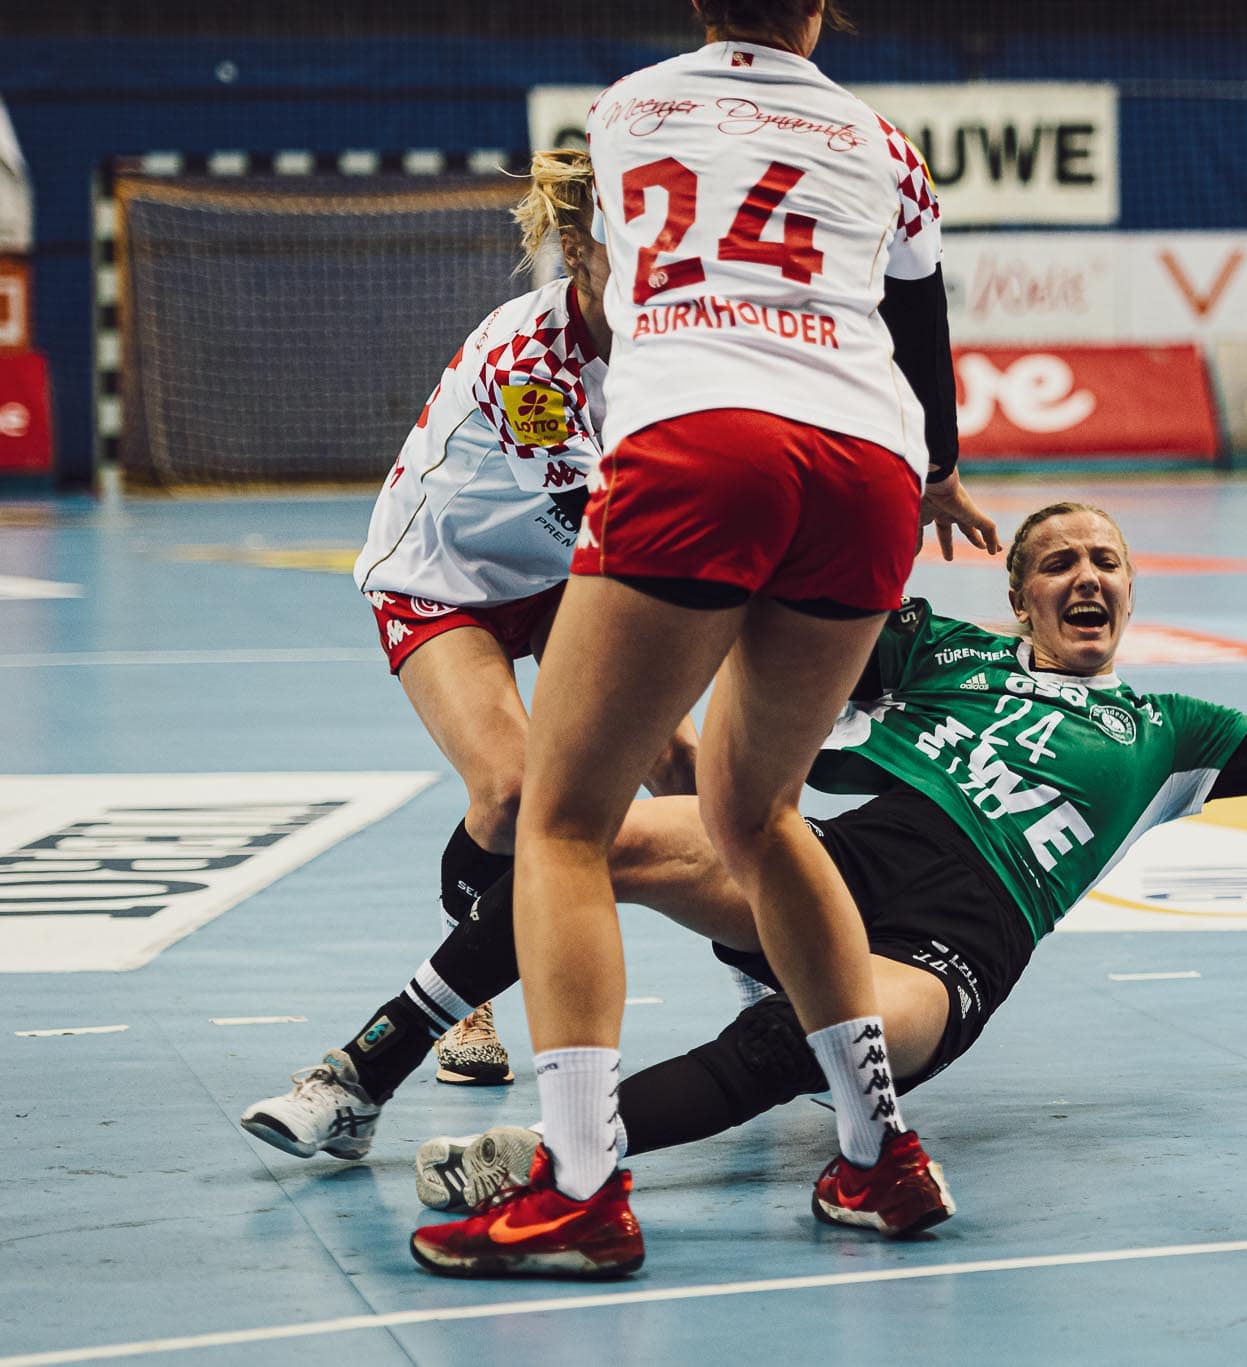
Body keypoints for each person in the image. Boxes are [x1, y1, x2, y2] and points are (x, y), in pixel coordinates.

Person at [228, 503, 1247, 1255]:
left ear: (1131, 593)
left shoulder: (1174, 730)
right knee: (582, 833)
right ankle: (364, 1070)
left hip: (955, 937)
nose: (1086, 575)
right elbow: (816, 615)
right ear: (1019, 596)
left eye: (1106, 562)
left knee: (816, 1039)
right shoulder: (951, 651)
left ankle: (557, 1153)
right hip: (828, 857)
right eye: (1059, 562)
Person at [409, 0, 1001, 1278]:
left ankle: (577, 1187)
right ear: (821, 8)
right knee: (761, 813)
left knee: (564, 821)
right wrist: (940, 467)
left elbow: (615, 262)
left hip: (704, 435)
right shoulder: (885, 143)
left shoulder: (625, 106)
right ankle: (880, 1156)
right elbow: (921, 322)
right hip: (867, 463)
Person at [241, 150, 696, 1153]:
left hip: (568, 569)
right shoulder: (529, 358)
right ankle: (465, 999)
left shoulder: (677, 343)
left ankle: (765, 969)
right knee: (513, 791)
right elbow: (617, 523)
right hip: (446, 575)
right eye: (630, 251)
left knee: (687, 765)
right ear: (578, 249)